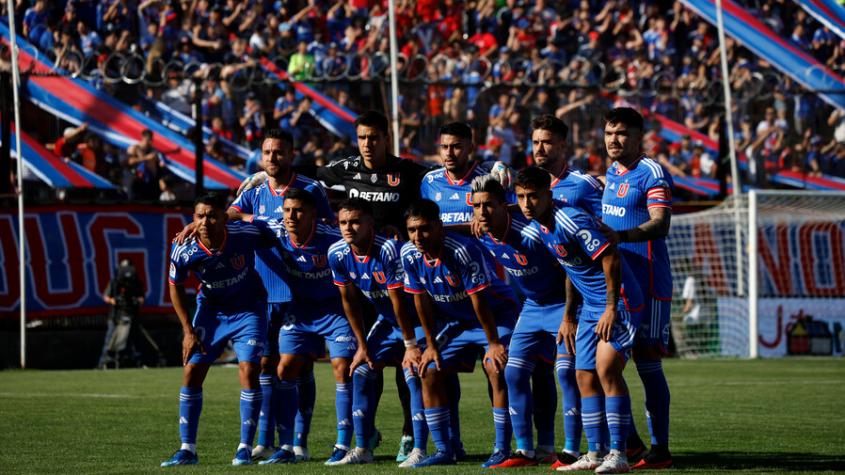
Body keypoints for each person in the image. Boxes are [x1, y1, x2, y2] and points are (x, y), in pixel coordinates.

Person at [513, 167, 643, 474]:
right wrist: (569, 315)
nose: (527, 204)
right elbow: (571, 269)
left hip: (618, 300)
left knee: (606, 369)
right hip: (587, 308)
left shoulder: (570, 219)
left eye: (533, 196)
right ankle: (595, 453)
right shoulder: (541, 227)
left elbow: (610, 256)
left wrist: (611, 308)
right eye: (520, 197)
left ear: (548, 195)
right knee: (583, 376)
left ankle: (619, 454)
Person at [229, 129, 333, 461]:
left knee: (296, 366)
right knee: (264, 365)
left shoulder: (310, 190)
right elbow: (227, 217)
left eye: (279, 152)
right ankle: (265, 439)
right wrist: (246, 217)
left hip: (295, 294)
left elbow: (328, 229)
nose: (273, 158)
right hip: (261, 294)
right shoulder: (255, 190)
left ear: (291, 154)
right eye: (267, 153)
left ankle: (298, 440)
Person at [401, 199, 520, 468]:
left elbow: (481, 301)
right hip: (457, 322)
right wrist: (429, 345)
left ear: (439, 227)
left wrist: (493, 343)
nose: (417, 237)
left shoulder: (463, 250)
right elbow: (420, 301)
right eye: (411, 230)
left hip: (495, 316)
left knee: (495, 366)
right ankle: (445, 450)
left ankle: (502, 448)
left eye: (424, 229)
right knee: (428, 369)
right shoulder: (409, 254)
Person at [161, 194, 276, 467]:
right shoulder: (183, 248)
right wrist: (188, 331)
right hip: (211, 312)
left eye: (212, 216)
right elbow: (174, 287)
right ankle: (187, 449)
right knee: (191, 370)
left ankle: (245, 448)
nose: (205, 222)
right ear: (193, 219)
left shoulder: (244, 233)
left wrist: (247, 215)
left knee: (249, 369)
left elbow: (273, 233)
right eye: (200, 216)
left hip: (249, 309)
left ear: (224, 218)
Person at [469, 175, 577, 468]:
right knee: (512, 374)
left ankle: (571, 451)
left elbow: (571, 269)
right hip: (530, 309)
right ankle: (525, 451)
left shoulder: (534, 233)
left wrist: (569, 315)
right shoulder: (483, 233)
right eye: (477, 206)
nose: (482, 212)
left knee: (566, 374)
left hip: (561, 307)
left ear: (505, 206)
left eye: (489, 205)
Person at [326, 198, 429, 467]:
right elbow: (349, 301)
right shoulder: (337, 253)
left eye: (355, 221)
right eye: (343, 222)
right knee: (360, 370)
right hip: (386, 322)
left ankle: (419, 448)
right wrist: (361, 346)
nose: (348, 228)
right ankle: (362, 448)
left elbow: (398, 301)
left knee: (413, 373)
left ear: (371, 224)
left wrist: (410, 345)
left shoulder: (388, 250)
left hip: (415, 322)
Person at [259, 189, 358, 466]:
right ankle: (289, 445)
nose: (291, 216)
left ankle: (342, 443)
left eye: (299, 211)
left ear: (313, 215)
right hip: (300, 311)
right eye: (287, 210)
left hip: (335, 310)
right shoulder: (275, 233)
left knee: (342, 367)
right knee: (285, 368)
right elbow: (240, 221)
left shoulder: (332, 239)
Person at [600, 107, 674, 469]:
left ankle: (660, 449)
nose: (614, 140)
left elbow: (661, 224)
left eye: (622, 134)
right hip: (617, 286)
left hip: (649, 282)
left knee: (648, 363)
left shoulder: (652, 173)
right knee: (604, 365)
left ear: (638, 137)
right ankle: (628, 442)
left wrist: (621, 237)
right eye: (610, 133)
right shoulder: (611, 173)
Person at [421, 122, 499, 232]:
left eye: (456, 147)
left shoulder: (488, 180)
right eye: (444, 147)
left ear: (470, 148)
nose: (449, 153)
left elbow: (513, 207)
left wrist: (488, 218)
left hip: (478, 247)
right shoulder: (429, 181)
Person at [531, 114, 604, 216]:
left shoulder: (582, 184)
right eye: (535, 142)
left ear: (563, 146)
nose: (539, 149)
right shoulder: (527, 184)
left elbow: (609, 227)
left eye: (546, 142)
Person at [98, 259, 145, 369]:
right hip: (116, 315)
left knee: (135, 341)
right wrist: (113, 301)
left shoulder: (135, 282)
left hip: (131, 314)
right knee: (110, 341)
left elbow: (141, 297)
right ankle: (103, 363)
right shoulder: (115, 282)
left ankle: (138, 362)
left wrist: (137, 301)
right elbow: (106, 296)